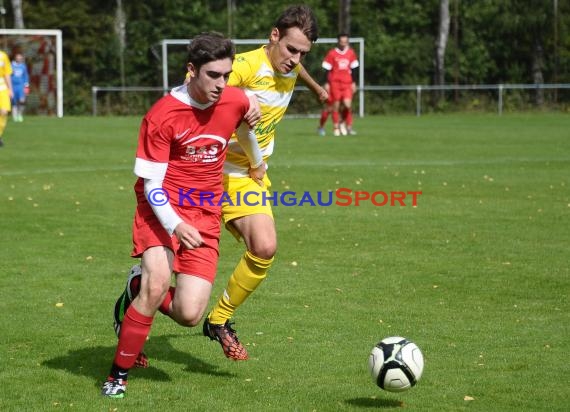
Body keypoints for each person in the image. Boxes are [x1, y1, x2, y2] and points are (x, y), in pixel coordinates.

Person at [119, 5, 324, 365]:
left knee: (265, 247)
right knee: (190, 283)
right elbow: (187, 90)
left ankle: (219, 320)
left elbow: (298, 67)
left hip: (249, 174)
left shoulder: (290, 65)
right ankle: (144, 292)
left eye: (303, 53)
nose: (295, 59)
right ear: (273, 37)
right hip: (211, 173)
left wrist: (317, 87)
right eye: (291, 49)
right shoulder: (242, 67)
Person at [101, 32, 263, 398]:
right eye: (213, 76)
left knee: (190, 314)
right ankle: (117, 375)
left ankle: (136, 287)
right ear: (191, 71)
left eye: (227, 74)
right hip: (161, 207)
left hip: (204, 212)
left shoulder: (234, 99)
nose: (222, 84)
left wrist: (258, 162)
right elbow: (151, 185)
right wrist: (176, 223)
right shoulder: (161, 115)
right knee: (159, 281)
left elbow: (245, 125)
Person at [321, 33, 359, 136]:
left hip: (347, 83)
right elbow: (326, 69)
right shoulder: (332, 53)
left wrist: (354, 83)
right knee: (335, 106)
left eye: (345, 42)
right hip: (335, 83)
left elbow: (355, 68)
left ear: (347, 42)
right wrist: (326, 83)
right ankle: (336, 127)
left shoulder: (351, 53)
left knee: (347, 105)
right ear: (338, 42)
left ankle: (344, 123)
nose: (343, 44)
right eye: (341, 42)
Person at [11, 53, 30, 122]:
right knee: (14, 102)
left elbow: (25, 76)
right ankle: (15, 116)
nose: (19, 59)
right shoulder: (11, 65)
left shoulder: (23, 66)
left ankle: (20, 114)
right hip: (13, 86)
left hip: (21, 86)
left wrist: (26, 86)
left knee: (22, 101)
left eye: (20, 58)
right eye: (17, 57)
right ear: (15, 58)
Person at [0, 50, 13, 147]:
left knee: (4, 111)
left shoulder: (3, 55)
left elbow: (7, 73)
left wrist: (10, 89)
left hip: (2, 88)